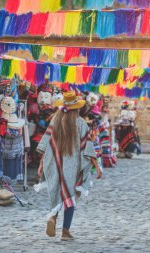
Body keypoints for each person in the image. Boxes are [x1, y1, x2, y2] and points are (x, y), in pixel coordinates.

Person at [37, 91, 102, 241]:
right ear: (76, 108)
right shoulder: (81, 124)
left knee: (57, 192)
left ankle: (53, 217)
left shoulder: (55, 121)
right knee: (70, 196)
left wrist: (42, 164)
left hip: (54, 164)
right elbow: (88, 148)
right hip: (72, 167)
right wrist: (96, 167)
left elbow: (46, 143)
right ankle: (65, 231)